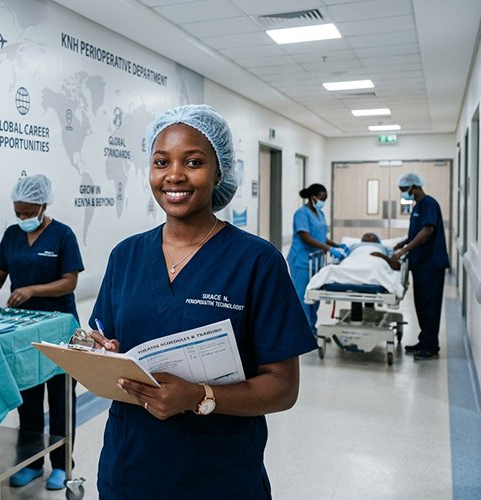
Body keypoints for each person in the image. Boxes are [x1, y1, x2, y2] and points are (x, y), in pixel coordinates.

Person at [86, 105, 317, 499]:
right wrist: (99, 351)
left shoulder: (256, 262)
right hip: (129, 470)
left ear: (220, 171)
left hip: (219, 477)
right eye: (161, 162)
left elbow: (283, 387)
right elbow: (102, 338)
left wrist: (198, 397)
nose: (174, 175)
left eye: (193, 161)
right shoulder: (125, 256)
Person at [0, 174, 84, 490]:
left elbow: (69, 281)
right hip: (24, 332)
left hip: (60, 326)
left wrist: (32, 290)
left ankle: (63, 466)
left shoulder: (63, 236)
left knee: (61, 399)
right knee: (29, 399)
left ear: (43, 205)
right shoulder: (11, 235)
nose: (22, 218)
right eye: (18, 213)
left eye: (27, 212)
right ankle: (33, 463)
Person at [391, 173, 449, 360]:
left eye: (404, 191)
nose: (403, 195)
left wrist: (404, 250)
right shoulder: (418, 206)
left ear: (413, 187)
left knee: (430, 306)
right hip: (421, 264)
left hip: (431, 264)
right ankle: (424, 340)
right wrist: (403, 242)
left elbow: (427, 230)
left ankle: (431, 346)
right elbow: (418, 232)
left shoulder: (428, 203)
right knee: (421, 305)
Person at [286, 183, 348, 335]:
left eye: (325, 199)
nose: (323, 202)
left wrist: (336, 245)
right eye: (321, 198)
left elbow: (320, 236)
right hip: (301, 261)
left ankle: (311, 328)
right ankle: (302, 332)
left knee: (315, 296)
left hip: (316, 262)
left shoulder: (320, 214)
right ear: (312, 197)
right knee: (303, 297)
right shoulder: (301, 213)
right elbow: (305, 237)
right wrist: (330, 249)